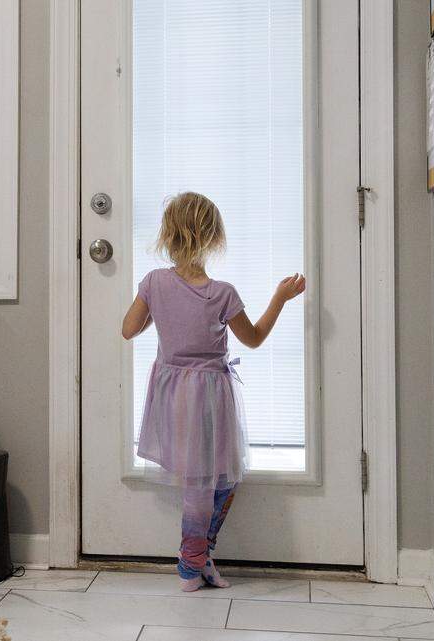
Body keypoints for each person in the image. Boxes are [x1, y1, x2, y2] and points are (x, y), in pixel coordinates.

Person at [121, 192, 305, 592]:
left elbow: (128, 328)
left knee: (201, 479)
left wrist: (160, 309)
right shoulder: (222, 293)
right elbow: (253, 338)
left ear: (167, 236)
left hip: (172, 395)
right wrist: (280, 298)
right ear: (213, 239)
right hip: (208, 397)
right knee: (211, 479)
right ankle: (192, 562)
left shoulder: (154, 282)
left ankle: (198, 557)